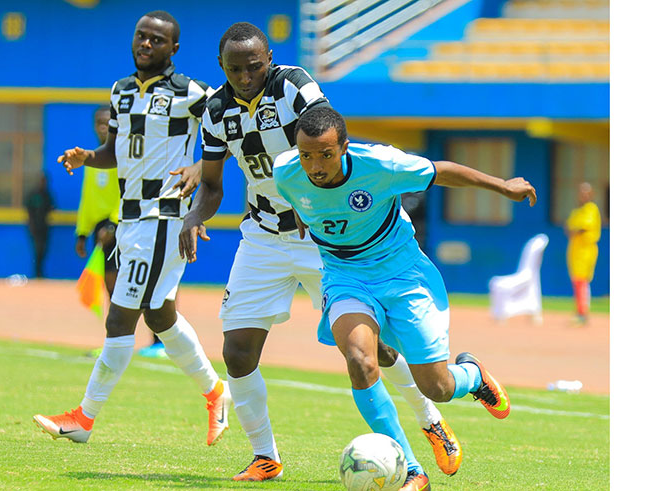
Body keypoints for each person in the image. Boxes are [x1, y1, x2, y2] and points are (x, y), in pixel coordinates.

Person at [177, 22, 452, 488]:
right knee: (237, 351)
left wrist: (329, 205)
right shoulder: (216, 112)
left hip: (322, 238)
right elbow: (210, 184)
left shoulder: (295, 86)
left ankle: (430, 421)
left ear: (269, 59)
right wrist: (193, 216)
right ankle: (265, 457)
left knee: (375, 350)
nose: (245, 76)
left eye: (254, 66)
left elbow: (329, 138)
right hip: (263, 236)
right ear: (221, 68)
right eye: (234, 69)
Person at [273, 106, 537, 489]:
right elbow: (298, 195)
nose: (315, 166)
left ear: (345, 147)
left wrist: (502, 186)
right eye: (307, 155)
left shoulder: (381, 164)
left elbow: (441, 171)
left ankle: (473, 375)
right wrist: (303, 213)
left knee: (438, 387)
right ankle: (412, 469)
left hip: (403, 274)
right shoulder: (286, 171)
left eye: (326, 155)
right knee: (361, 360)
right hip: (345, 276)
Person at [33, 10, 231, 448]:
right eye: (141, 36)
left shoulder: (192, 92)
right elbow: (115, 152)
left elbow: (233, 126)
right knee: (161, 317)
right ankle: (216, 392)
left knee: (120, 317)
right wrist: (90, 156)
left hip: (164, 219)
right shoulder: (121, 91)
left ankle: (83, 418)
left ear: (173, 49)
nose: (146, 44)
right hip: (130, 219)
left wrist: (202, 164)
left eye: (157, 40)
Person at [77, 105, 167, 358]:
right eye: (98, 122)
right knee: (111, 287)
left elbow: (129, 191)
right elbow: (89, 199)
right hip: (100, 230)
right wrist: (82, 232)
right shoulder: (94, 158)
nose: (102, 126)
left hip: (124, 225)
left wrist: (114, 224)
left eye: (107, 122)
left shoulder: (125, 155)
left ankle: (157, 340)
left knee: (141, 283)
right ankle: (115, 341)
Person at [565, 182, 601, 326]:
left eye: (586, 192)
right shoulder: (577, 211)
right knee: (577, 281)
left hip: (586, 250)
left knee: (581, 282)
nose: (583, 195)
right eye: (581, 192)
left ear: (591, 194)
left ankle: (582, 313)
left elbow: (583, 228)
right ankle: (580, 311)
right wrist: (574, 230)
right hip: (575, 250)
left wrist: (575, 230)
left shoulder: (591, 209)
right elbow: (569, 229)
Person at [24, 173, 54, 278]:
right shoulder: (33, 194)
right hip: (34, 227)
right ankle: (37, 273)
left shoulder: (47, 195)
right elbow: (28, 210)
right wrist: (31, 225)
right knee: (37, 250)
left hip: (44, 227)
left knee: (43, 250)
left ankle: (39, 272)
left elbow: (52, 207)